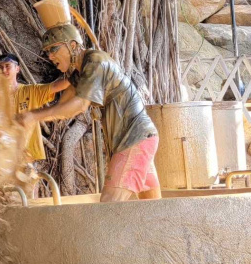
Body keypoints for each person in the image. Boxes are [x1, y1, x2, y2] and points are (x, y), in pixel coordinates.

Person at [15, 24, 160, 202]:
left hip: (134, 138)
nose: (50, 56)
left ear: (73, 46)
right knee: (152, 206)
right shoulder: (79, 73)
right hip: (136, 138)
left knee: (109, 205)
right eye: (47, 51)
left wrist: (34, 116)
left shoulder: (95, 61)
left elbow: (79, 105)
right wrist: (31, 117)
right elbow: (63, 106)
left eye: (54, 48)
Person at [0, 53, 69, 162]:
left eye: (7, 66)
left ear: (17, 69)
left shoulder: (31, 91)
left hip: (27, 155)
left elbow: (55, 86)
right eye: (0, 67)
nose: (3, 70)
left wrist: (78, 77)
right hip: (2, 156)